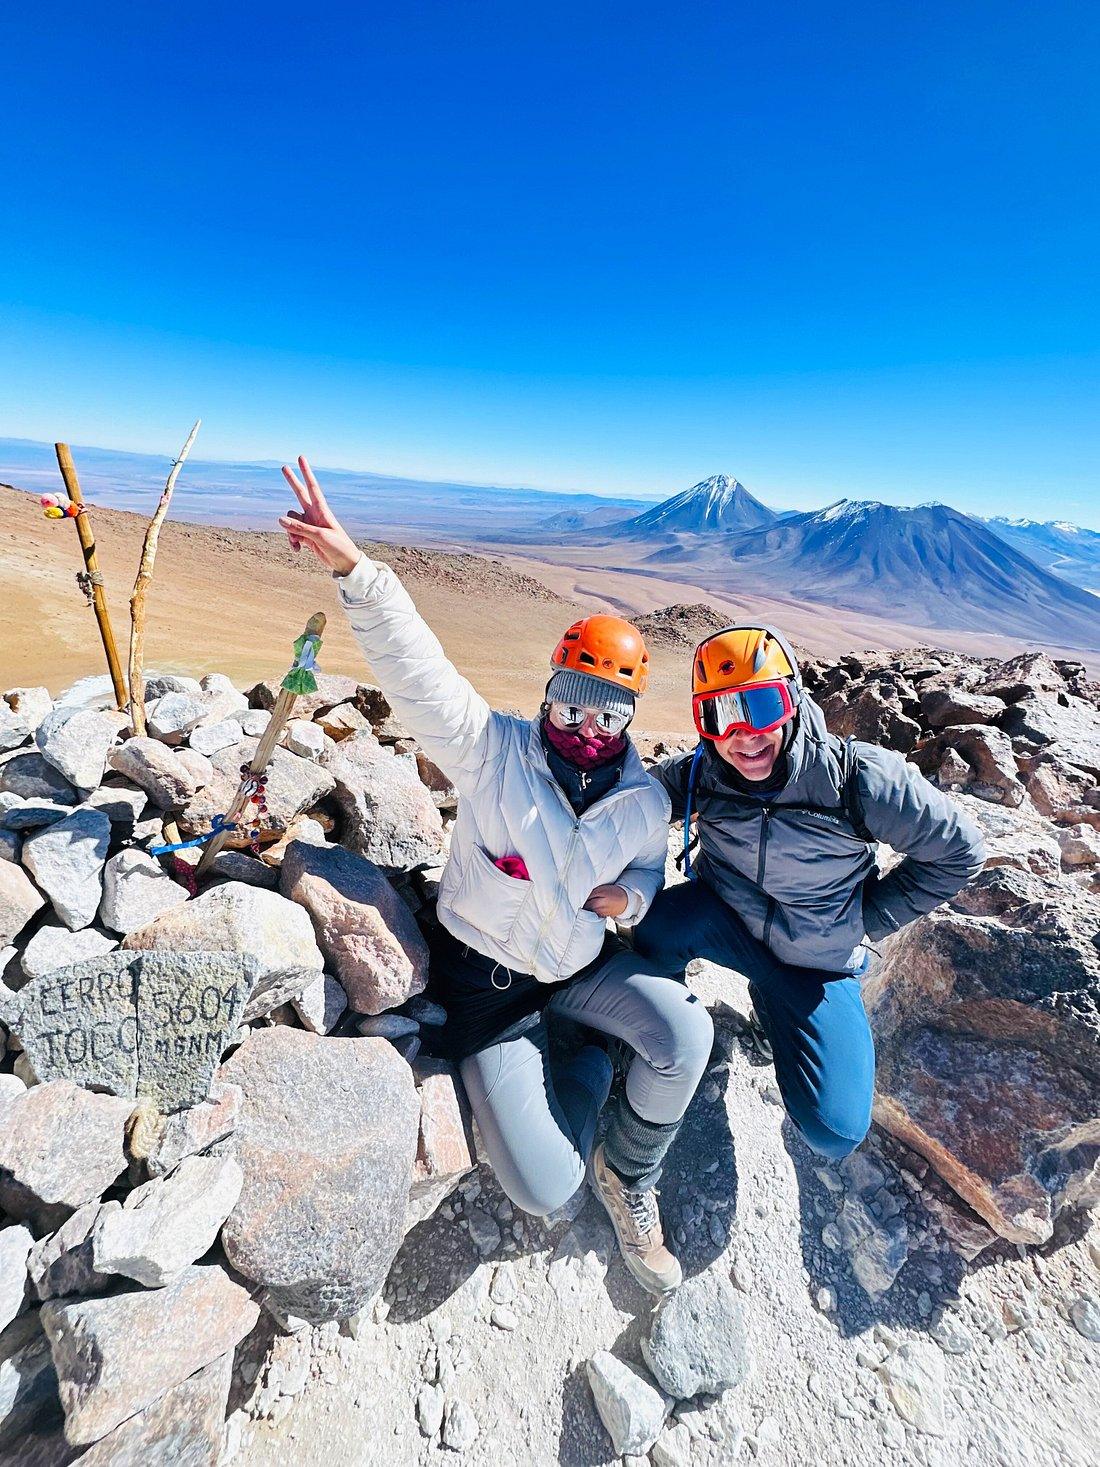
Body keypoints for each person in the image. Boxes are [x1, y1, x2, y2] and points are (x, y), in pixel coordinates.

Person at [278, 457, 713, 1294]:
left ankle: (632, 1169)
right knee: (548, 1187)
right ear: (548, 691)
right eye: (571, 700)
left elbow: (652, 869)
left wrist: (635, 897)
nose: (585, 724)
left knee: (687, 1035)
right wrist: (356, 572)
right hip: (488, 992)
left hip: (580, 970)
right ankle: (584, 1067)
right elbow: (421, 676)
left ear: (631, 717)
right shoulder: (494, 754)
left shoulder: (641, 800)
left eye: (607, 710)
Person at [634, 623, 985, 1162]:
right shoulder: (704, 772)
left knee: (835, 1129)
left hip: (815, 962)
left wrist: (871, 917)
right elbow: (637, 799)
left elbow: (959, 850)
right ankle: (661, 1027)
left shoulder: (856, 778)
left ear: (794, 700)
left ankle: (776, 1003)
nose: (744, 736)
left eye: (762, 707)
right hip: (726, 923)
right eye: (718, 716)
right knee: (656, 925)